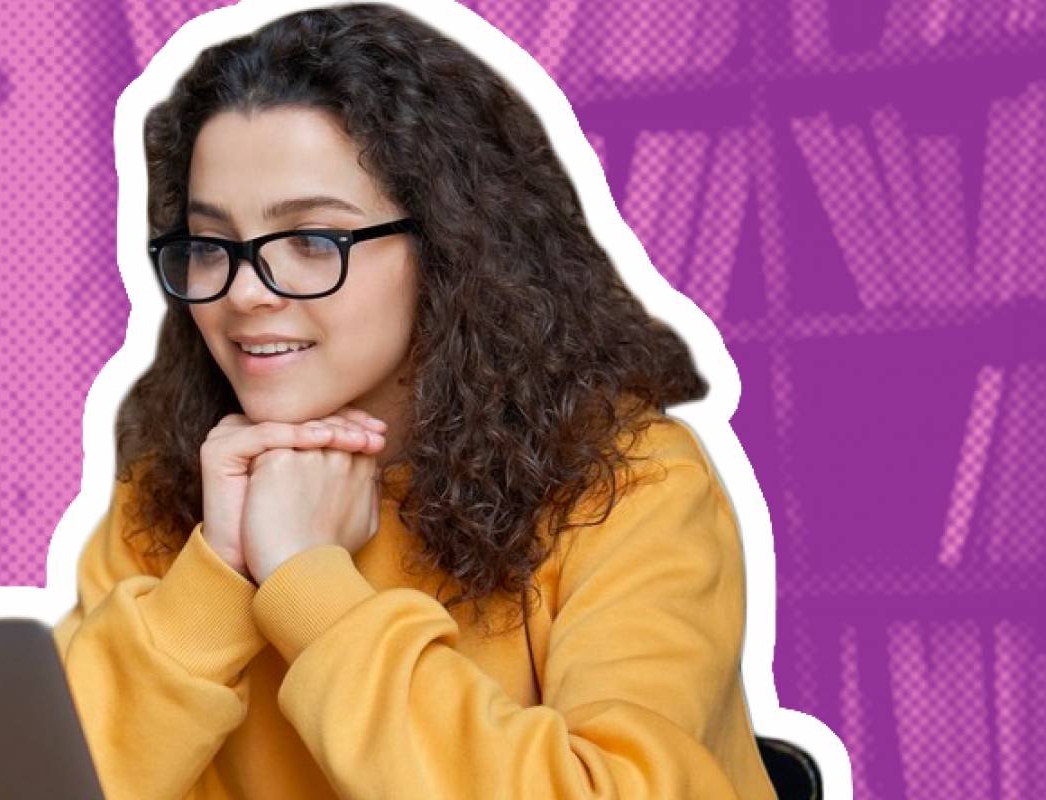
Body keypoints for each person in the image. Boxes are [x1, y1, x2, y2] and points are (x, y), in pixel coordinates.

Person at [52, 4, 780, 799]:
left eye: (312, 241)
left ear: (451, 246)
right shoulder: (167, 502)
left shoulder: (631, 485)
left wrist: (307, 581)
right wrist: (213, 582)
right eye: (210, 247)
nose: (247, 293)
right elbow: (24, 779)